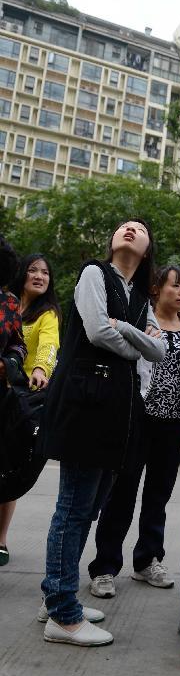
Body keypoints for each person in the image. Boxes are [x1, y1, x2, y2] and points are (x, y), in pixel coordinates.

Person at [39, 219, 166, 647]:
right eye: (123, 227)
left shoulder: (141, 297)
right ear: (112, 240)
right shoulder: (94, 274)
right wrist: (136, 342)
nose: (129, 230)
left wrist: (125, 330)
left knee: (88, 506)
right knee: (73, 507)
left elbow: (161, 349)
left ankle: (55, 597)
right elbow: (95, 330)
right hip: (84, 405)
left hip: (115, 412)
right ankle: (62, 612)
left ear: (147, 249)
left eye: (139, 229)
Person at [88, 265, 180, 597]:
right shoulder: (140, 318)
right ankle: (105, 567)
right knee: (121, 493)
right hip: (137, 417)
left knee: (158, 495)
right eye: (175, 286)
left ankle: (148, 559)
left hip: (173, 423)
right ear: (156, 289)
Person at [0, 254, 61, 564]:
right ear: (21, 273)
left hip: (21, 398)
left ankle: (1, 540)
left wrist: (41, 369)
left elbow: (50, 345)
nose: (40, 276)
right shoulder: (6, 303)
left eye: (46, 272)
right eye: (34, 270)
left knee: (8, 466)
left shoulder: (47, 314)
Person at [0, 237, 27, 567]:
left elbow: (18, 346)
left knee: (3, 470)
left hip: (0, 399)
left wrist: (6, 365)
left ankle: (1, 540)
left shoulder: (8, 302)